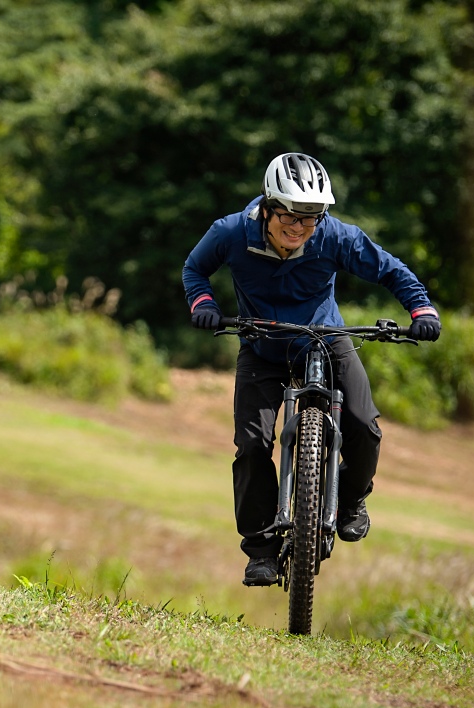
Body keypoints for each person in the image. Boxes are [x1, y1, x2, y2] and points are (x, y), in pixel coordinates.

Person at [182, 152, 441, 587]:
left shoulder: (334, 236)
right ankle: (261, 551)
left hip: (325, 338)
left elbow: (390, 270)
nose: (299, 227)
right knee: (250, 447)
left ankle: (352, 499)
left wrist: (421, 308)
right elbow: (195, 269)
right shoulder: (230, 231)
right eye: (289, 215)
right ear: (267, 206)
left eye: (311, 217)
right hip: (260, 345)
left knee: (364, 425)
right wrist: (204, 303)